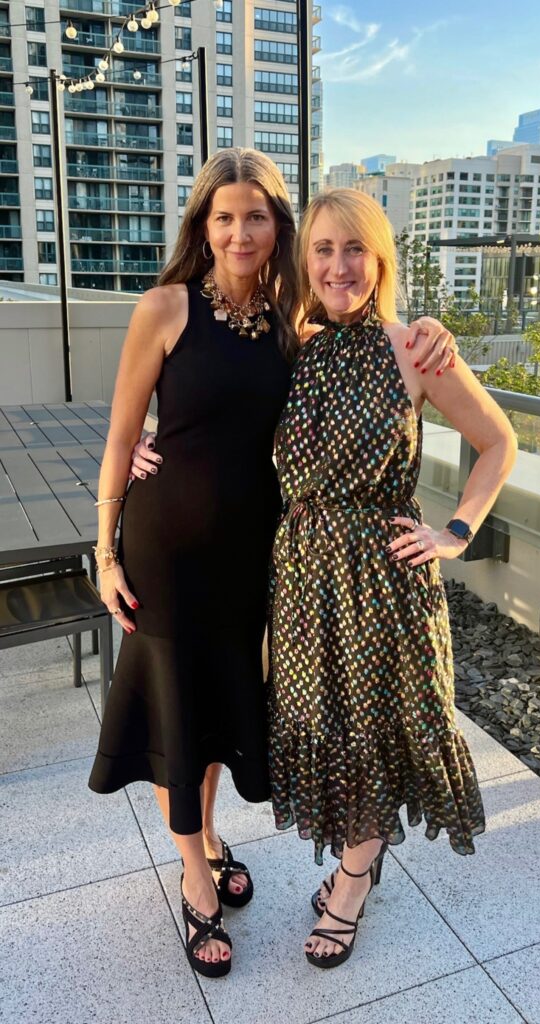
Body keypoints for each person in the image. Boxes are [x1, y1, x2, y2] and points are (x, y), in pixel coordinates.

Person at [92, 149, 456, 979]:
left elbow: (369, 346)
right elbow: (119, 437)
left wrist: (431, 329)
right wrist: (105, 551)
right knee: (176, 717)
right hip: (166, 553)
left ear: (278, 226)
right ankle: (196, 880)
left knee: (218, 713)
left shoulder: (295, 323)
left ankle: (214, 841)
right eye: (223, 217)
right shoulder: (164, 307)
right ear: (203, 225)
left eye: (256, 216)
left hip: (257, 560)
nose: (240, 233)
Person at [266, 189, 517, 969]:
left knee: (375, 732)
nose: (338, 266)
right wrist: (147, 443)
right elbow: (217, 410)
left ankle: (351, 881)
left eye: (355, 249)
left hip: (384, 583)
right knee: (327, 724)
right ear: (305, 261)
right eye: (323, 249)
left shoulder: (414, 347)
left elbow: (499, 441)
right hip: (305, 579)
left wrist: (456, 533)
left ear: (380, 260)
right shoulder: (293, 346)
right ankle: (361, 857)